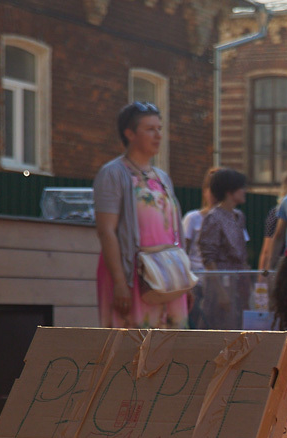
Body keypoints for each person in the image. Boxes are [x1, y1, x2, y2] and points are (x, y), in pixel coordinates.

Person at [93, 101, 188, 328]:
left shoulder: (163, 178)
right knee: (132, 350)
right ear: (130, 133)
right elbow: (107, 230)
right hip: (132, 275)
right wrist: (119, 282)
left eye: (159, 129)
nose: (158, 135)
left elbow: (175, 230)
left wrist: (184, 279)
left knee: (174, 348)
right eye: (149, 129)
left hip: (168, 275)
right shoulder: (113, 174)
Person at [197, 168, 250, 330]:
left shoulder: (239, 216)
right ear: (229, 191)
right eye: (240, 187)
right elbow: (208, 258)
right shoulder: (214, 218)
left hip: (239, 281)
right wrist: (220, 292)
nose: (244, 191)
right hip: (222, 281)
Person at [183, 166, 220, 272]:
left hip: (224, 276)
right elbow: (183, 250)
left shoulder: (233, 219)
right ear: (205, 191)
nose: (216, 196)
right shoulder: (192, 218)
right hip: (198, 277)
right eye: (212, 190)